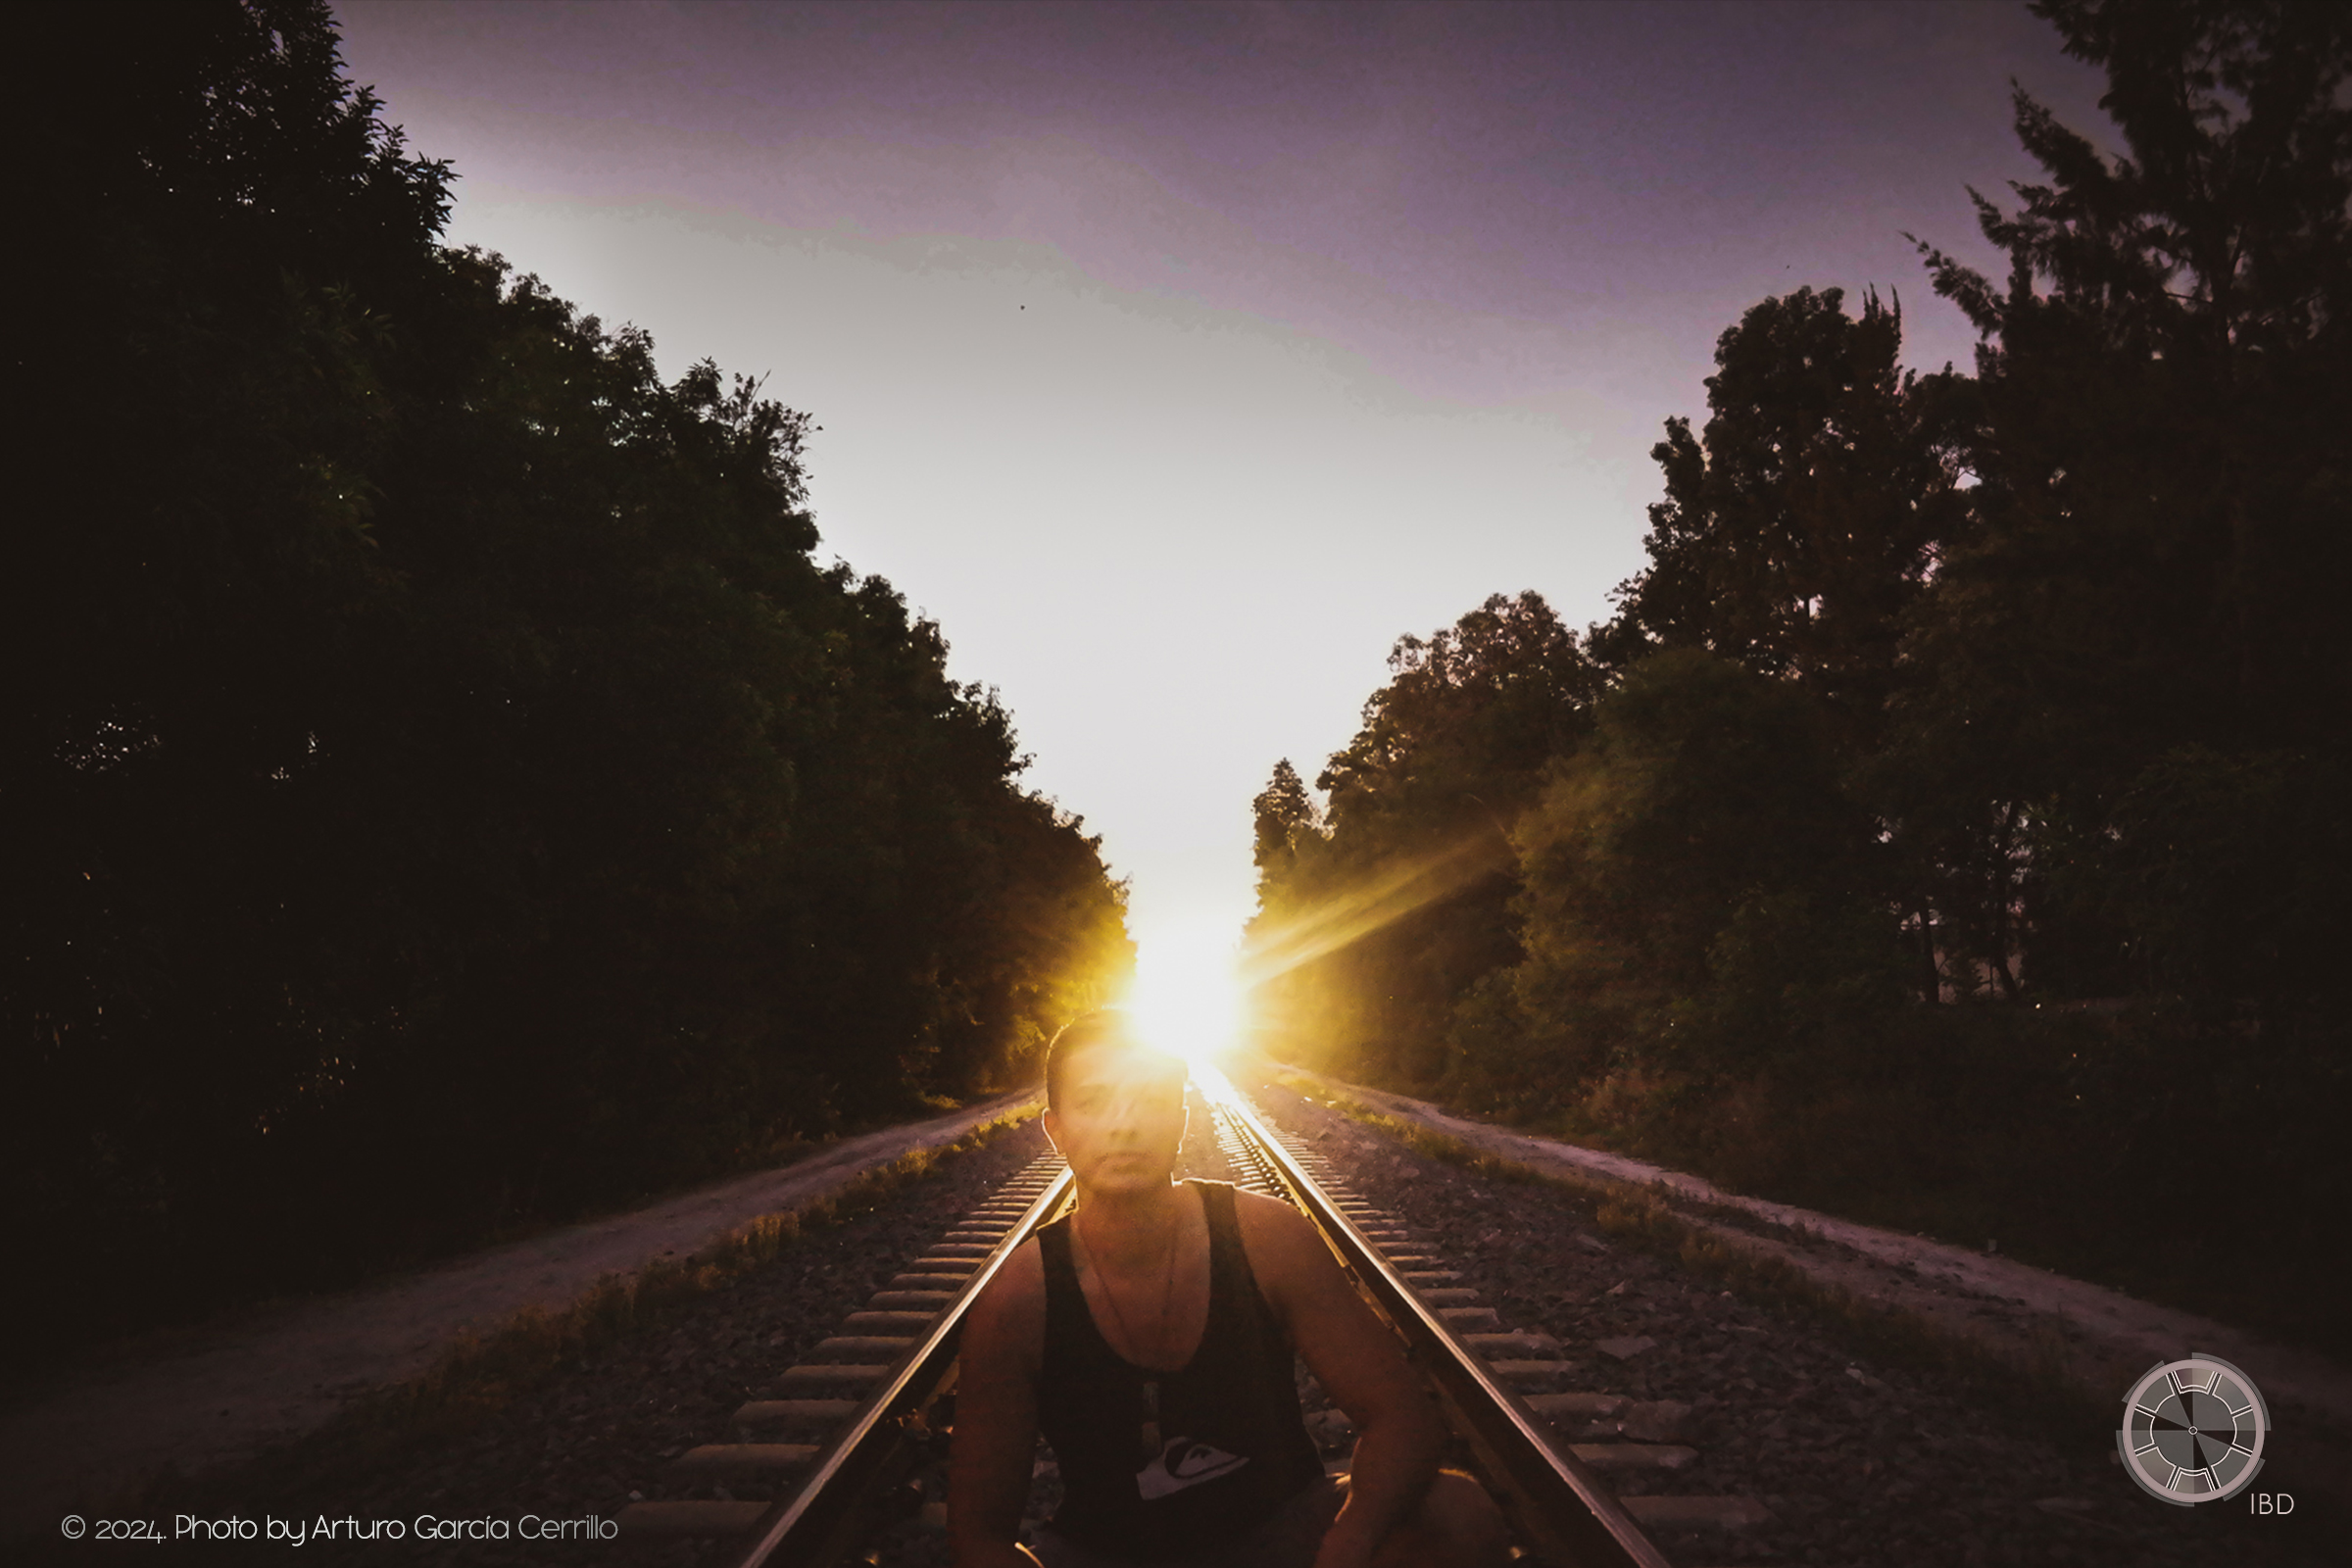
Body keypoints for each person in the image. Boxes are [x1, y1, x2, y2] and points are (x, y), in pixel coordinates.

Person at [949, 1010, 1512, 1568]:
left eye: (1148, 1098)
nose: (1124, 1123)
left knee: (1457, 1510)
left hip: (1279, 1531)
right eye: (1094, 1103)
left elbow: (1402, 1417)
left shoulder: (1267, 1238)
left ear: (1182, 1117)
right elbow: (979, 1533)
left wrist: (1353, 1538)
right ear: (1056, 1130)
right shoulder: (1018, 1299)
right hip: (1108, 1551)